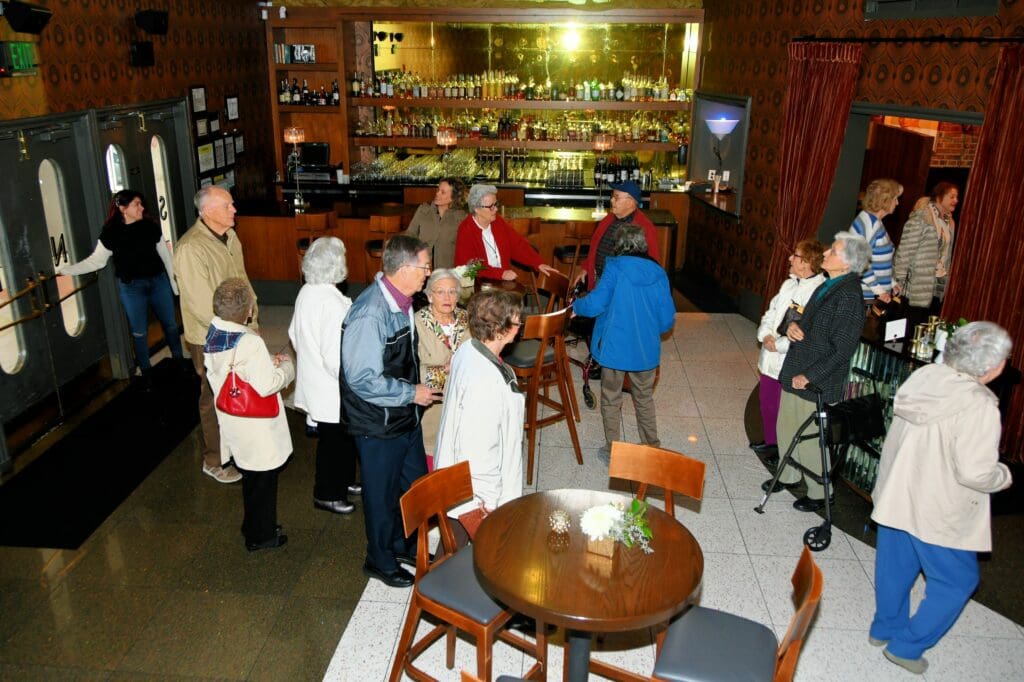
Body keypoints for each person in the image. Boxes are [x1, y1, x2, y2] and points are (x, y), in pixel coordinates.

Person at [869, 321, 1013, 675]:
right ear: (993, 366)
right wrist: (1005, 476)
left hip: (897, 493)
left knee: (894, 568)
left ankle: (884, 627)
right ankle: (906, 646)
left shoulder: (927, 376)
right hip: (937, 508)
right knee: (957, 581)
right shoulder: (979, 405)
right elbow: (975, 472)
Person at [340, 235, 442, 588]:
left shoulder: (404, 300)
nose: (428, 274)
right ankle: (379, 559)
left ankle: (402, 543)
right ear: (403, 269)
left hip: (402, 416)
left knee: (412, 485)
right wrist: (411, 393)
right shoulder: (370, 313)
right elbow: (362, 378)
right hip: (377, 423)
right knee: (381, 496)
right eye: (425, 267)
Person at [764, 230, 869, 511]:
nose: (825, 254)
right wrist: (791, 327)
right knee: (786, 427)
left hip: (814, 379)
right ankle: (788, 474)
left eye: (832, 251)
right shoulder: (828, 285)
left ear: (847, 263)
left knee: (811, 439)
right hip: (798, 368)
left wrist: (810, 377)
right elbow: (799, 320)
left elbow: (842, 349)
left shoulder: (849, 296)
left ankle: (821, 493)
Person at [54, 189, 184, 383]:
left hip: (158, 282)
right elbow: (96, 262)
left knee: (171, 325)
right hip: (132, 288)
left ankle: (179, 362)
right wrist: (67, 271)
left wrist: (174, 284)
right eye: (136, 204)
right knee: (139, 332)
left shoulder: (150, 226)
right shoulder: (111, 232)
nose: (142, 208)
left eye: (141, 204)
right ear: (123, 208)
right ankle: (146, 371)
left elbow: (166, 257)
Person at [203, 278, 295, 552]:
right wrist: (287, 368)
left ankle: (252, 524)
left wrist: (267, 362)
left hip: (233, 419)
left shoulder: (215, 332)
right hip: (256, 424)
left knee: (251, 478)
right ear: (248, 311)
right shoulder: (249, 342)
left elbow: (237, 370)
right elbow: (267, 385)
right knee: (263, 481)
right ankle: (261, 535)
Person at [571, 225, 675, 463]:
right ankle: (651, 445)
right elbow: (667, 320)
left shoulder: (615, 268)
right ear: (643, 245)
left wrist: (576, 306)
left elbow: (596, 303)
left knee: (610, 397)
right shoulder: (659, 273)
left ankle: (613, 449)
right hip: (645, 351)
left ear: (619, 246)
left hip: (615, 350)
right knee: (644, 398)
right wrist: (648, 332)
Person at [174, 186, 255, 484]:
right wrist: (235, 335)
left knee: (236, 390)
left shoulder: (229, 237)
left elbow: (242, 279)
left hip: (238, 329)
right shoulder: (190, 249)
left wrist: (252, 319)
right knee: (213, 396)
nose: (234, 210)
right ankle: (214, 460)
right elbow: (200, 305)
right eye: (227, 206)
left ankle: (236, 447)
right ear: (208, 212)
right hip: (211, 337)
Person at [433, 290, 525, 545]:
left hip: (458, 489)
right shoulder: (485, 382)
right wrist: (487, 504)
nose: (519, 329)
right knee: (468, 560)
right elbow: (478, 451)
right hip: (475, 499)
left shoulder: (467, 349)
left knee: (452, 549)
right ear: (500, 329)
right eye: (517, 323)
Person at [288, 236, 359, 516]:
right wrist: (352, 380)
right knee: (334, 443)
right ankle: (328, 493)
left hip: (316, 381)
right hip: (332, 387)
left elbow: (294, 333)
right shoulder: (330, 302)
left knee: (339, 439)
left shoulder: (307, 291)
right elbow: (335, 355)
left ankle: (344, 481)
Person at [751, 240, 827, 458]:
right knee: (767, 402)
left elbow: (805, 329)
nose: (790, 259)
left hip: (789, 358)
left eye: (795, 256)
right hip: (770, 353)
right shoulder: (789, 284)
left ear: (806, 263)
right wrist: (765, 335)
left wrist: (779, 345)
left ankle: (783, 449)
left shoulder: (816, 293)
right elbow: (771, 312)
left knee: (783, 408)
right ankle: (771, 442)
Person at [415, 268, 470, 457]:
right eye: (440, 292)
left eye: (452, 291)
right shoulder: (417, 324)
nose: (447, 297)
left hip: (465, 406)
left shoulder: (467, 319)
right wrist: (444, 370)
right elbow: (411, 370)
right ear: (430, 296)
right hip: (433, 411)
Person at [454, 183, 559, 282]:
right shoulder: (466, 230)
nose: (496, 209)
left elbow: (517, 245)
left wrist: (538, 263)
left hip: (500, 282)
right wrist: (501, 274)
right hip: (477, 284)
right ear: (476, 209)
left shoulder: (497, 222)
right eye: (491, 207)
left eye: (496, 204)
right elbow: (469, 267)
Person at [572, 179, 661, 292]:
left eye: (616, 197)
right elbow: (594, 249)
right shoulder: (608, 219)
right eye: (612, 196)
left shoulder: (644, 227)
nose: (612, 200)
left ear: (630, 202)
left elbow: (653, 266)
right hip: (600, 280)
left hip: (623, 288)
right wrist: (585, 269)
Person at [893, 182, 959, 326]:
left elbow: (945, 254)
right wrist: (898, 280)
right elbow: (905, 249)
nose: (956, 201)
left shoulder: (949, 223)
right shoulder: (922, 216)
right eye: (952, 196)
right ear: (939, 197)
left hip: (936, 284)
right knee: (907, 328)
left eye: (957, 197)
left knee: (925, 329)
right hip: (917, 284)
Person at [850, 178, 902, 304]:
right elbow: (859, 261)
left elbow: (877, 259)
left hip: (872, 295)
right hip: (866, 296)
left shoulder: (874, 221)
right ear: (885, 200)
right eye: (895, 198)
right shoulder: (869, 223)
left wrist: (891, 282)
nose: (897, 203)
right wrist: (879, 290)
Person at [401, 178, 467, 269]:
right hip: (420, 267)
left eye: (442, 192)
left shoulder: (460, 218)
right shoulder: (424, 210)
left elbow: (464, 249)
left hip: (447, 271)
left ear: (453, 198)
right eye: (438, 190)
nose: (437, 193)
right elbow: (410, 235)